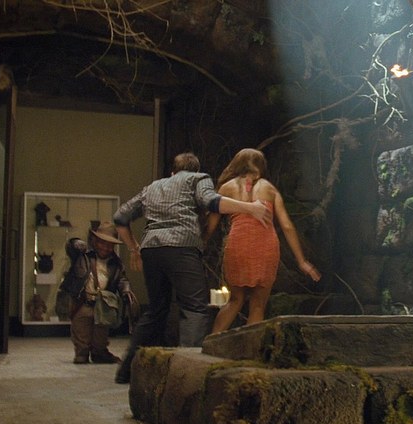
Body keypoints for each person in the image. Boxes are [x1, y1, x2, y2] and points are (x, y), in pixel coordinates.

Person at [113, 152, 271, 384]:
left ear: (172, 172)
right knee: (195, 308)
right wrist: (250, 208)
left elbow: (120, 217)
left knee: (156, 310)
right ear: (195, 170)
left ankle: (126, 371)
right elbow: (211, 201)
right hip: (181, 247)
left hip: (152, 250)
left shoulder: (152, 188)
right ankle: (187, 375)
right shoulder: (198, 179)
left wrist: (134, 249)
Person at [206, 148, 321, 334]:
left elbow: (211, 225)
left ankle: (211, 342)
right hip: (265, 247)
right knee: (258, 304)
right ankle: (249, 348)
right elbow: (287, 226)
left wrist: (200, 245)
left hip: (238, 245)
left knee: (234, 300)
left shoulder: (226, 188)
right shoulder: (269, 188)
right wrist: (302, 261)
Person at [59, 221, 135, 364]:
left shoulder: (116, 263)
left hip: (103, 304)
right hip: (83, 302)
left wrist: (126, 289)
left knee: (101, 333)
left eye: (109, 245)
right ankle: (82, 353)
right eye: (102, 243)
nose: (105, 248)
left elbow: (122, 279)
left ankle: (99, 352)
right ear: (95, 241)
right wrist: (76, 243)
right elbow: (71, 247)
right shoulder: (83, 256)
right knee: (81, 331)